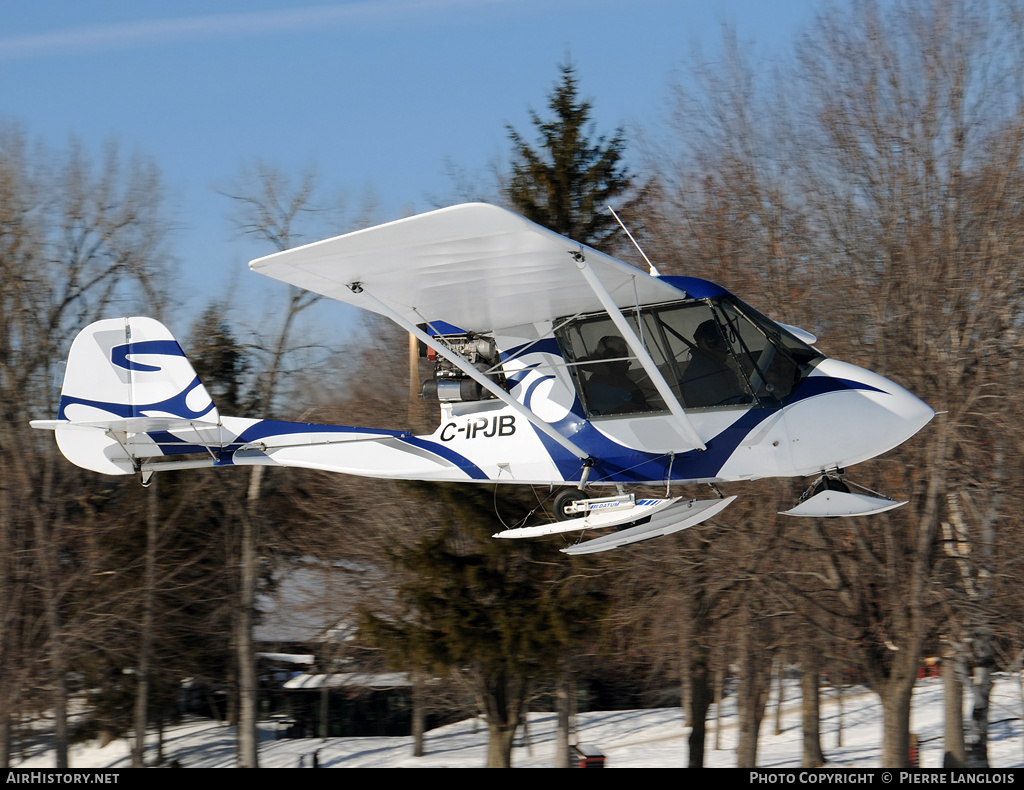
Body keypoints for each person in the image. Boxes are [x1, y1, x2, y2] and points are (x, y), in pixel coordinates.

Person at [681, 320, 745, 407]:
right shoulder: (702, 370)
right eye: (720, 339)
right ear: (708, 342)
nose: (725, 345)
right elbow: (723, 405)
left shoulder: (713, 366)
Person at [583, 335, 649, 415]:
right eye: (623, 355)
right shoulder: (599, 383)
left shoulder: (618, 377)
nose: (626, 359)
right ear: (609, 356)